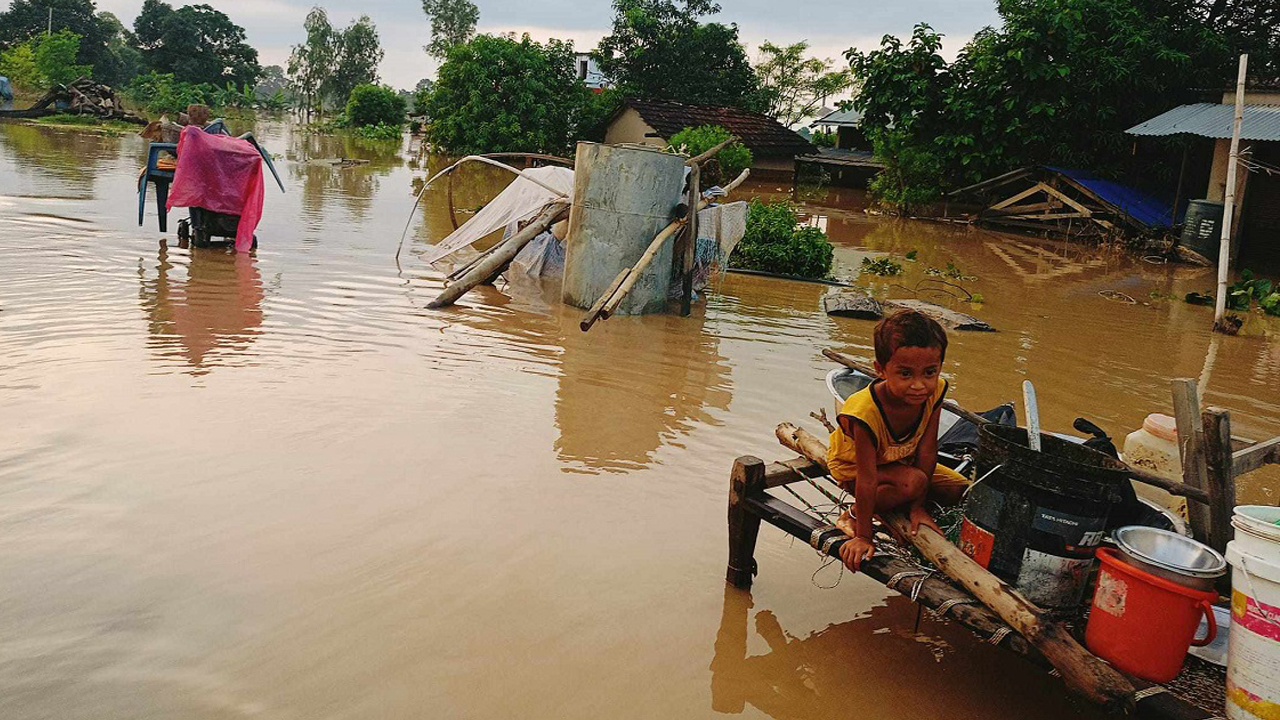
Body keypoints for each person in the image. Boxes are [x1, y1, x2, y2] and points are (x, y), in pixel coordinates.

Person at [827, 309, 968, 571]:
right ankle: (853, 515)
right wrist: (863, 536)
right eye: (905, 374)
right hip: (854, 467)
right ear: (880, 370)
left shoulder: (935, 391)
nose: (919, 385)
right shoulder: (864, 412)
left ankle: (903, 501)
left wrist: (918, 508)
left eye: (929, 372)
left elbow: (927, 448)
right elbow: (867, 478)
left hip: (897, 459)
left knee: (959, 488)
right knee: (914, 481)